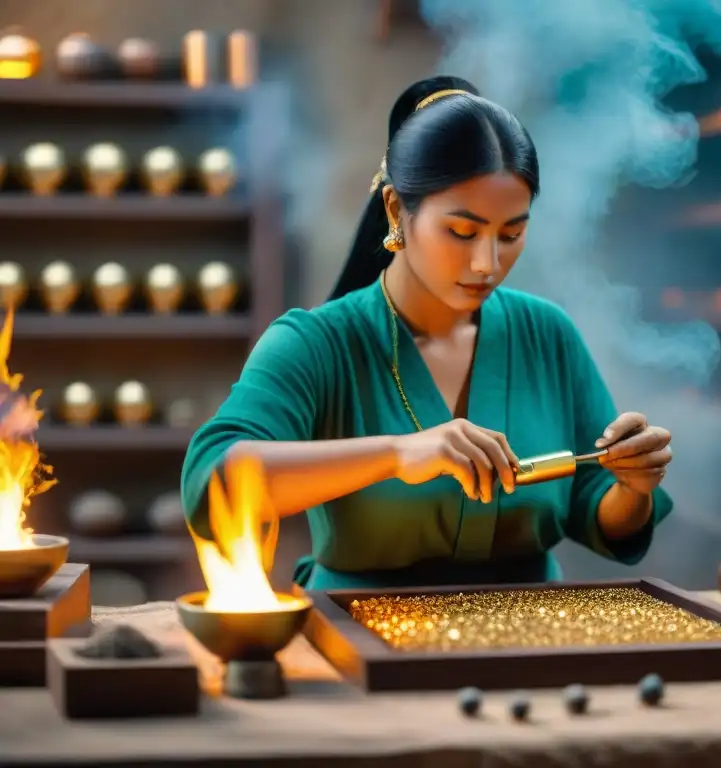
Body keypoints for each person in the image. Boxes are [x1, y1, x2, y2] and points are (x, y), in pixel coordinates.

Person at [181, 75, 675, 590]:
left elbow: (598, 509)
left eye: (511, 234)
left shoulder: (545, 333)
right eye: (462, 232)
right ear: (397, 210)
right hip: (357, 637)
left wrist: (633, 487)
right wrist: (397, 454)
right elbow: (210, 483)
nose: (487, 263)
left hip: (532, 638)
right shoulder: (318, 344)